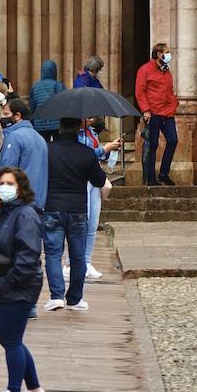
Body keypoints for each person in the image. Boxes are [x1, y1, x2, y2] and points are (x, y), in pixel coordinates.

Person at [0, 167, 49, 392]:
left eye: (10, 183)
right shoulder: (1, 211)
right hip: (0, 285)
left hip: (17, 286)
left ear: (20, 188)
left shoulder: (26, 214)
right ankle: (35, 389)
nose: (5, 187)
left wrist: (10, 282)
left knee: (11, 340)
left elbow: (29, 254)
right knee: (9, 338)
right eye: (2, 183)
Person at [42, 119, 108, 312]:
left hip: (52, 206)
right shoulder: (86, 153)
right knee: (78, 256)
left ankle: (56, 296)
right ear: (79, 128)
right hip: (78, 209)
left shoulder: (48, 150)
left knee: (53, 254)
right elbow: (99, 180)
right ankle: (75, 298)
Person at [78, 118, 121, 280]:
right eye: (87, 117)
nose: (91, 119)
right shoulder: (76, 135)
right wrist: (105, 148)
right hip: (81, 180)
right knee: (82, 222)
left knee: (92, 224)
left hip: (95, 179)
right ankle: (72, 262)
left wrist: (110, 148)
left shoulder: (92, 133)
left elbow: (98, 157)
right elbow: (84, 155)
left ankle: (87, 261)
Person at [136, 43, 179, 187]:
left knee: (172, 140)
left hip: (167, 113)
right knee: (152, 145)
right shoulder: (145, 70)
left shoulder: (166, 71)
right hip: (153, 113)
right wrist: (146, 110)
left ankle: (163, 174)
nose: (168, 55)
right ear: (159, 54)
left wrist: (174, 104)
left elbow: (169, 91)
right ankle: (151, 178)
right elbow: (140, 92)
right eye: (167, 52)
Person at [0, 98, 49, 209]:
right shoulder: (40, 139)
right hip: (38, 202)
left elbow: (7, 169)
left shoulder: (14, 137)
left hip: (19, 202)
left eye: (6, 114)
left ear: (17, 116)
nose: (3, 117)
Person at [29, 60, 65, 142]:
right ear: (55, 71)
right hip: (57, 123)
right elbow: (64, 103)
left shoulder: (35, 86)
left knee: (43, 148)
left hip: (39, 123)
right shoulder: (58, 85)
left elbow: (32, 106)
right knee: (58, 147)